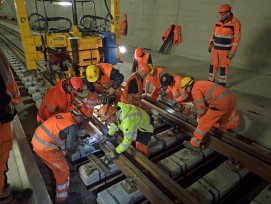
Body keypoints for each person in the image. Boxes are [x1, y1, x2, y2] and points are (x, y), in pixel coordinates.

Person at [32, 105, 87, 203]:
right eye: (82, 119)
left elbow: (59, 134)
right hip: (45, 147)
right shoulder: (72, 126)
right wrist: (76, 144)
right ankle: (62, 198)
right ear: (79, 116)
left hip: (37, 139)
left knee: (61, 158)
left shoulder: (63, 115)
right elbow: (69, 147)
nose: (81, 122)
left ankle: (59, 172)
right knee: (63, 171)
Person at [0, 47, 33, 202]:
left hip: (4, 114)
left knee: (2, 163)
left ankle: (4, 193)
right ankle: (5, 198)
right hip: (2, 114)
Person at [180, 77, 237, 150]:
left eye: (185, 89)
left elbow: (201, 107)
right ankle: (223, 132)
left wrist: (199, 117)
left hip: (220, 103)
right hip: (231, 99)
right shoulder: (199, 83)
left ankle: (194, 143)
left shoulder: (195, 90)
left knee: (204, 121)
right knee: (222, 120)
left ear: (188, 86)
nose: (186, 91)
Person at [208, 4, 241, 87]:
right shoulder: (218, 22)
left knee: (223, 68)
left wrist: (233, 51)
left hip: (225, 51)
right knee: (213, 66)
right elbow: (214, 34)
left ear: (228, 13)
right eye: (220, 14)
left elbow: (237, 38)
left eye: (223, 14)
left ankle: (221, 85)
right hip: (215, 49)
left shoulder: (235, 23)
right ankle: (210, 82)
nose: (221, 16)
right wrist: (210, 44)